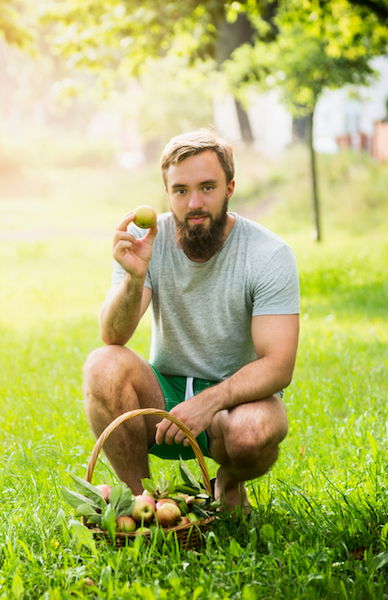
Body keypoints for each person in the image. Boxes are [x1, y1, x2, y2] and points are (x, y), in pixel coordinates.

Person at [82, 128, 300, 515]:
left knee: (251, 434)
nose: (194, 202)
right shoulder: (148, 238)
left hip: (234, 403)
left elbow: (278, 366)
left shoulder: (269, 254)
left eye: (207, 187)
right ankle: (141, 501)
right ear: (167, 193)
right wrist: (134, 276)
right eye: (181, 190)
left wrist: (208, 402)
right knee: (102, 364)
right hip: (162, 398)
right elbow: (113, 335)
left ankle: (227, 483)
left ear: (230, 188)